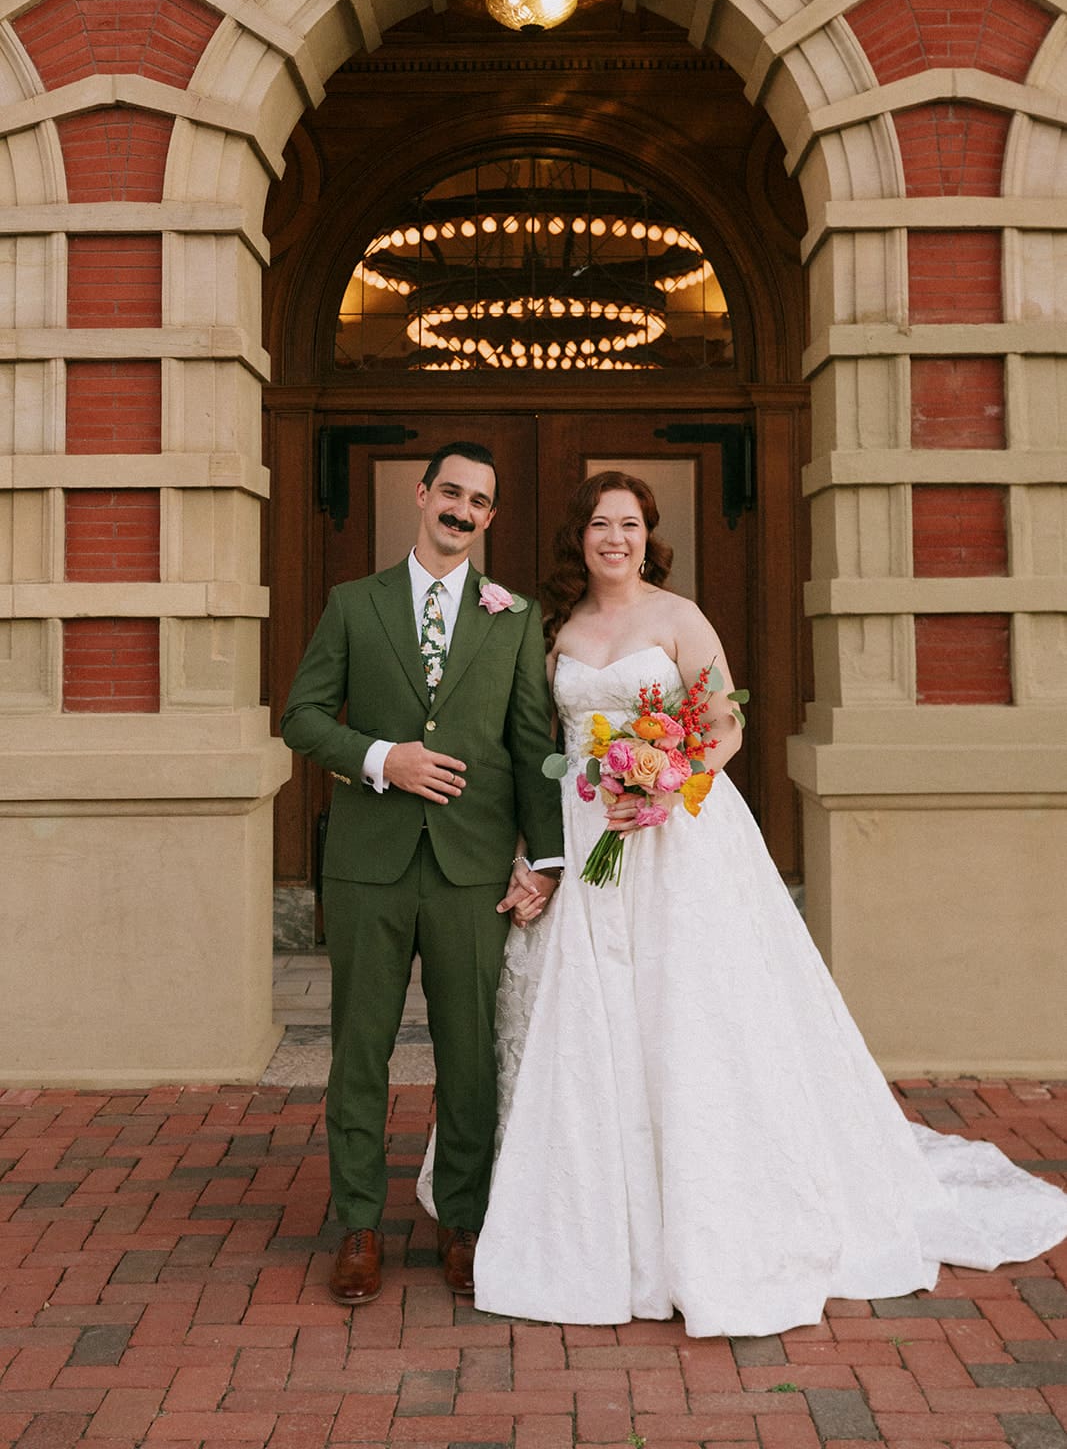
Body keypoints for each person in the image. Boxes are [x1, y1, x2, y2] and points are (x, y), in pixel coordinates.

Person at [448, 469, 1067, 1337]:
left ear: (647, 536)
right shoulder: (556, 630)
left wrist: (671, 781)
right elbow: (535, 742)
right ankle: (587, 1209)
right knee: (588, 1016)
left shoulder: (677, 617)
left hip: (677, 831)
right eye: (597, 525)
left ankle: (712, 1203)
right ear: (577, 539)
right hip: (590, 830)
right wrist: (542, 851)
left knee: (692, 1011)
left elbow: (724, 723)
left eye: (627, 525)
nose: (613, 539)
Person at [281, 442, 563, 1307]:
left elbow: (531, 745)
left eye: (479, 501)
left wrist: (546, 857)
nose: (461, 510)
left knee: (468, 1056)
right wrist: (380, 757)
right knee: (359, 1052)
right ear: (421, 494)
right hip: (369, 866)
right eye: (451, 492)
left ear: (489, 518)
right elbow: (299, 718)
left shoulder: (513, 616)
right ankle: (358, 1226)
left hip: (470, 869)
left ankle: (464, 1224)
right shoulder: (352, 604)